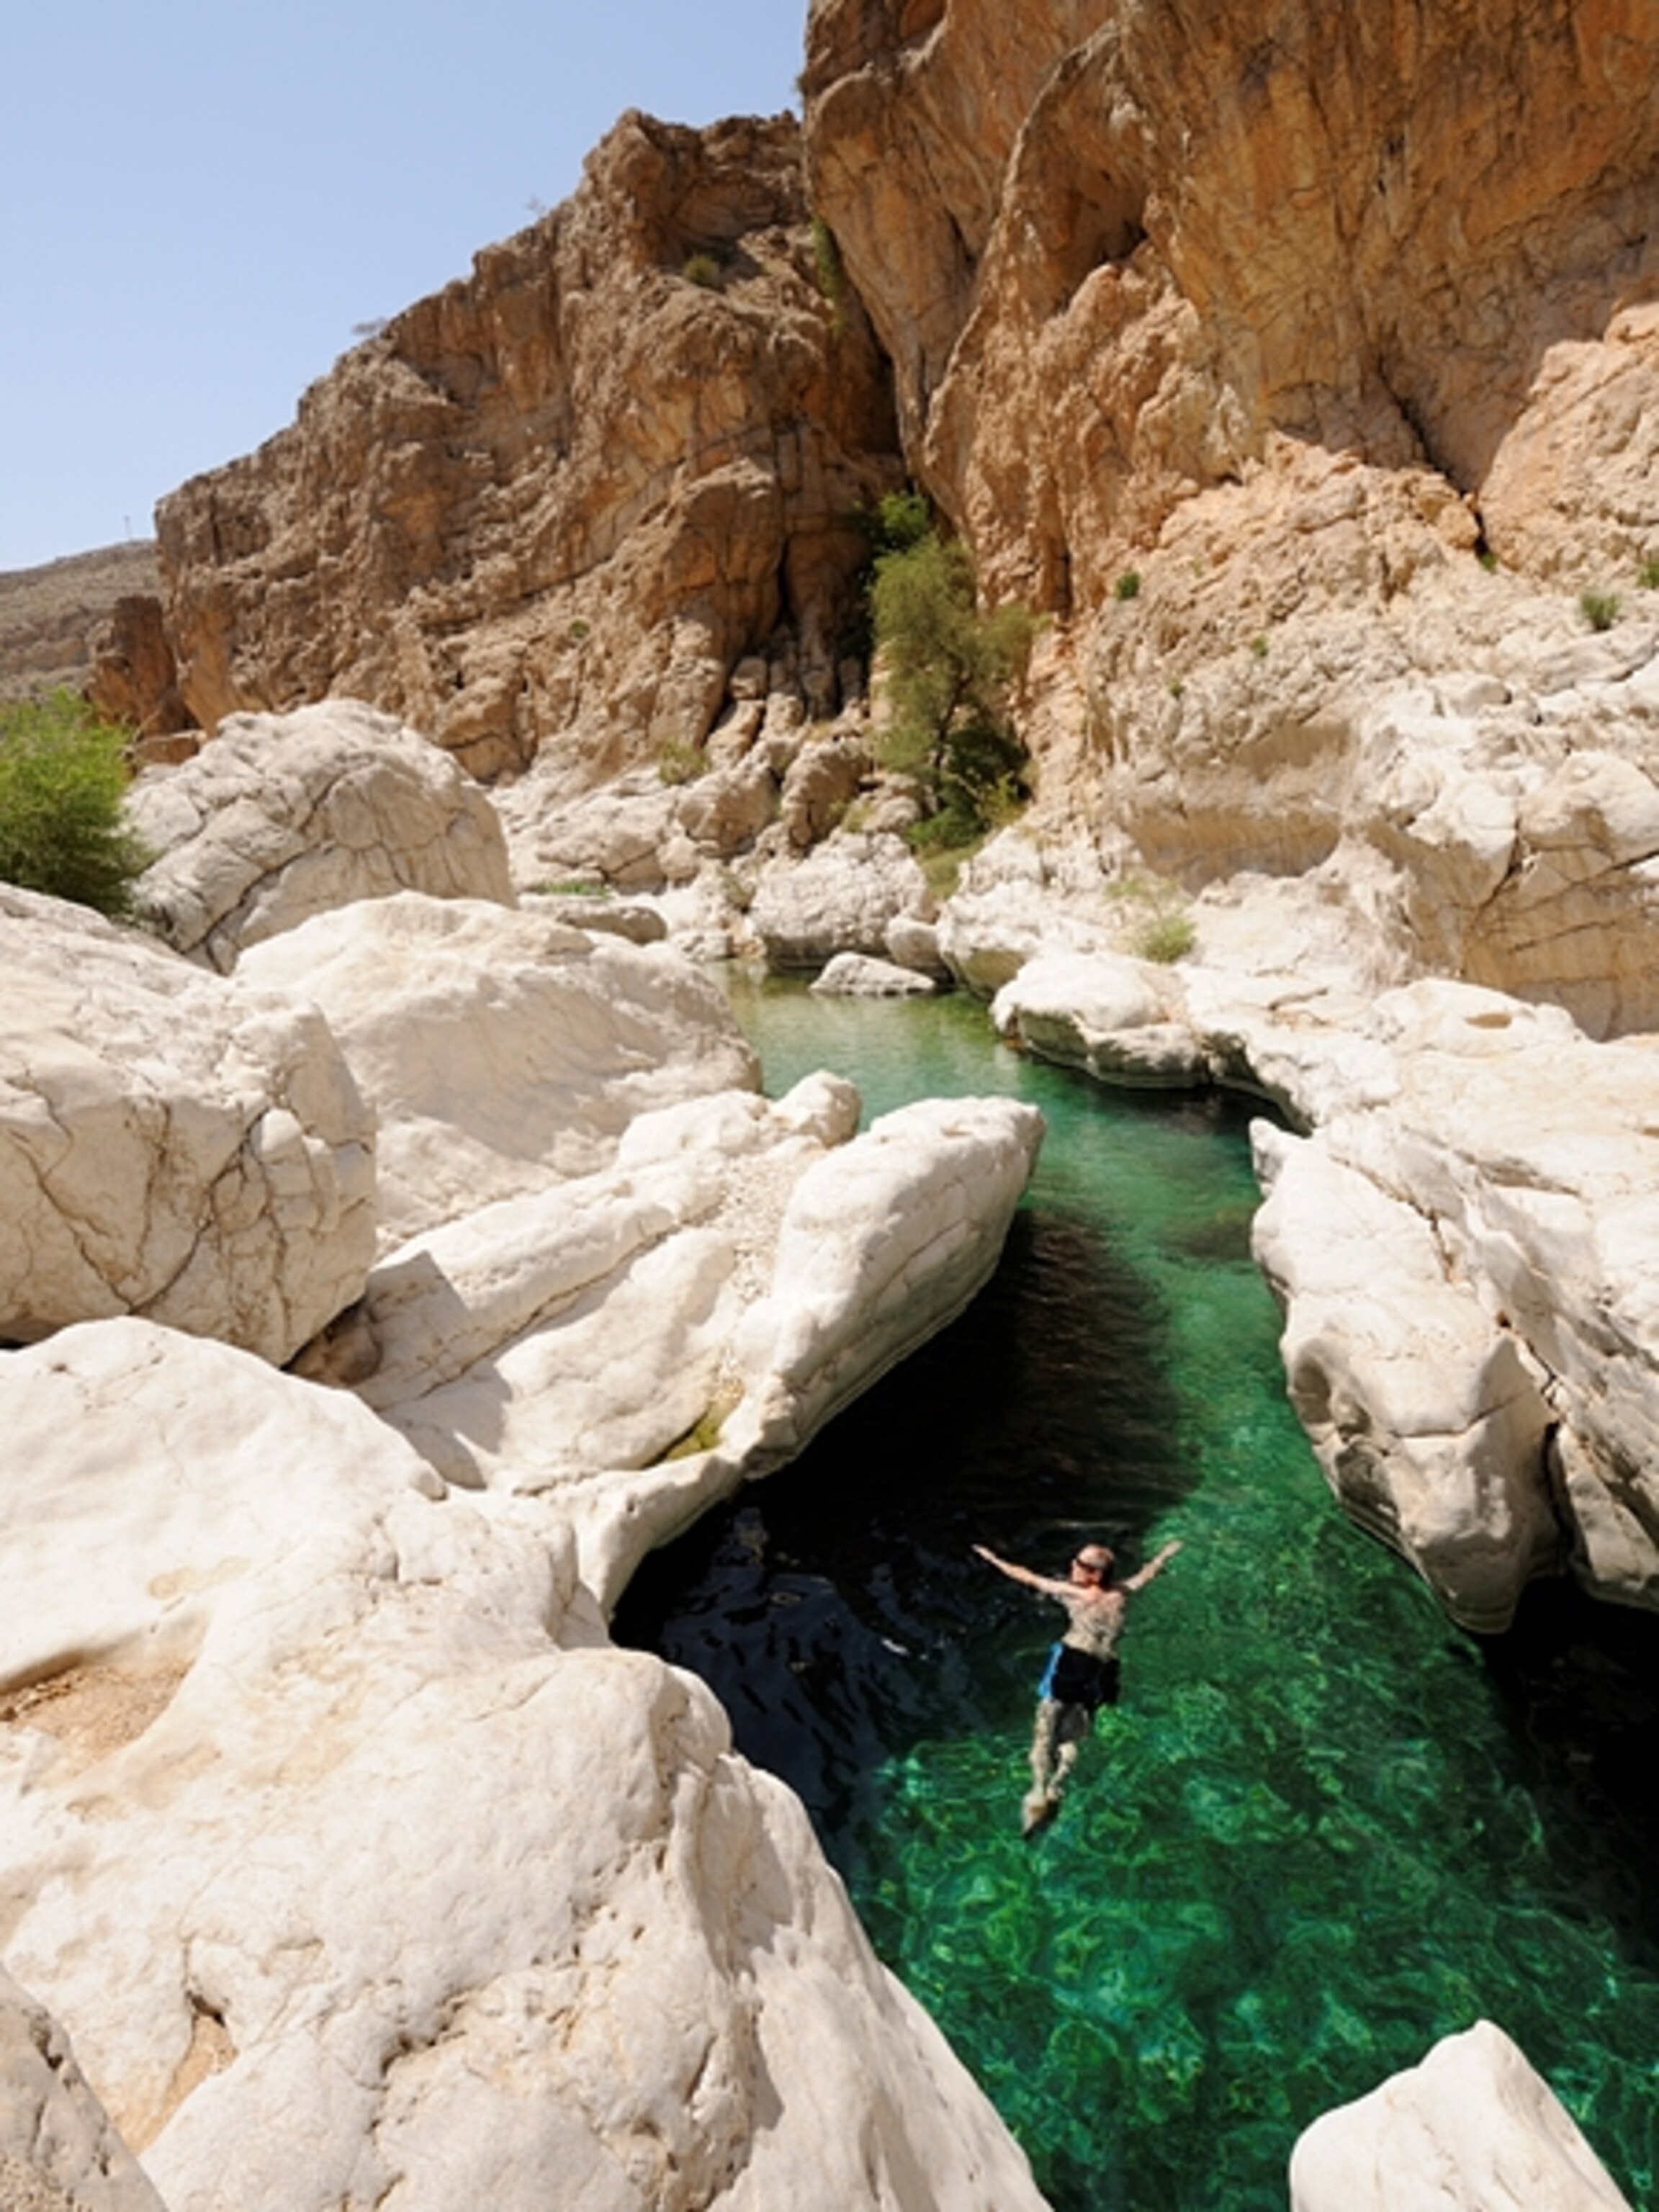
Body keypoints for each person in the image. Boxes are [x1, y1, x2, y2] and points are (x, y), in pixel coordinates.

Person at [974, 1535, 1183, 1834]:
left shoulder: (1075, 1593)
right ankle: (1058, 1785)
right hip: (1105, 1669)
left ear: (1094, 1575)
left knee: (1045, 1726)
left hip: (1073, 1660)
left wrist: (993, 1559)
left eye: (1079, 1563)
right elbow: (1146, 1574)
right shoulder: (1122, 1592)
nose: (1073, 1565)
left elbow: (1028, 1577)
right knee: (1074, 1731)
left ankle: (1037, 1791)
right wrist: (1165, 1554)